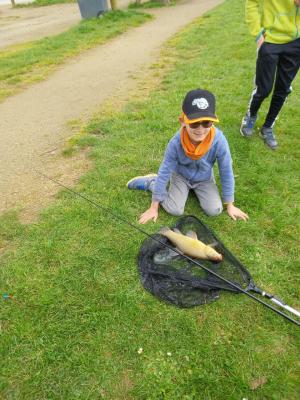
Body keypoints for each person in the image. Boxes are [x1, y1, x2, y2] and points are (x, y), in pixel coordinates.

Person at [127, 89, 249, 224]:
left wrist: (230, 204)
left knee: (215, 210)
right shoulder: (175, 142)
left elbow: (226, 171)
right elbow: (165, 170)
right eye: (194, 123)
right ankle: (151, 182)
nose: (201, 129)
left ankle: (195, 190)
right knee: (175, 210)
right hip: (181, 176)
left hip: (204, 178)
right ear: (182, 121)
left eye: (207, 122)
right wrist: (154, 206)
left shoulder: (219, 140)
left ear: (213, 122)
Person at [240, 0, 300, 149]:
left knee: (283, 89)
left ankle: (267, 127)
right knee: (264, 88)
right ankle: (251, 116)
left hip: (296, 43)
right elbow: (251, 2)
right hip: (270, 40)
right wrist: (257, 34)